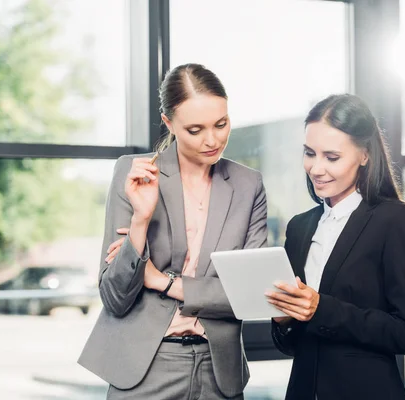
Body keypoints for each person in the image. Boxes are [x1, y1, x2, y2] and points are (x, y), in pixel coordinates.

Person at [78, 63, 268, 400]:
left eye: (221, 124)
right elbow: (115, 298)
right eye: (195, 129)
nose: (212, 140)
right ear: (169, 123)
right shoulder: (133, 173)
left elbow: (248, 295)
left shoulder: (248, 184)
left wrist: (159, 280)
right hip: (145, 369)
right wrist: (141, 217)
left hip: (219, 369)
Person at [265, 94, 405, 399]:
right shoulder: (300, 227)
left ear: (365, 155)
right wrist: (286, 319)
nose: (316, 168)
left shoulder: (398, 221)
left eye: (331, 157)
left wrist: (320, 308)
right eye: (309, 153)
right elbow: (292, 344)